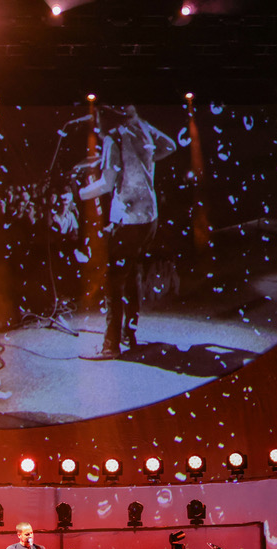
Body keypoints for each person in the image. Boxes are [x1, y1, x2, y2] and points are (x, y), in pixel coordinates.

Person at [73, 104, 176, 360]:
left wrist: (80, 192)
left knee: (114, 283)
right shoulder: (143, 127)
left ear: (106, 115)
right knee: (131, 277)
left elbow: (107, 184)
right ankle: (129, 335)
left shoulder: (112, 138)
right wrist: (143, 162)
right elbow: (170, 146)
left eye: (97, 115)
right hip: (149, 217)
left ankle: (110, 346)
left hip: (127, 220)